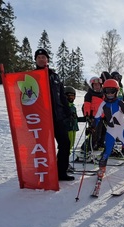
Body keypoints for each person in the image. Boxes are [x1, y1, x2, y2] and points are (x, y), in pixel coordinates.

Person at [34, 48, 74, 181]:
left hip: (58, 117)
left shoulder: (55, 77)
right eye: (38, 57)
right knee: (42, 146)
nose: (41, 59)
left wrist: (67, 111)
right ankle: (42, 172)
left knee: (65, 143)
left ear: (47, 60)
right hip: (41, 119)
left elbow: (62, 96)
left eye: (43, 57)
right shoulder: (31, 77)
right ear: (35, 60)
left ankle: (61, 172)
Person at [81, 76, 106, 152]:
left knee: (103, 131)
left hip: (101, 117)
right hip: (93, 117)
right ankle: (86, 148)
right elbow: (86, 106)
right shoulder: (89, 94)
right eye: (95, 85)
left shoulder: (102, 94)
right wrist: (87, 116)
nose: (97, 86)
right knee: (94, 134)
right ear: (92, 86)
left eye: (98, 85)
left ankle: (99, 145)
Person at [64, 86, 79, 153]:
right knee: (66, 145)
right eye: (69, 96)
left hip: (73, 128)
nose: (71, 98)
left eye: (72, 96)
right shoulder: (64, 107)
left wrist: (85, 118)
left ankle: (65, 160)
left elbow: (76, 118)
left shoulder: (73, 107)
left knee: (71, 144)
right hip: (67, 129)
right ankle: (60, 161)